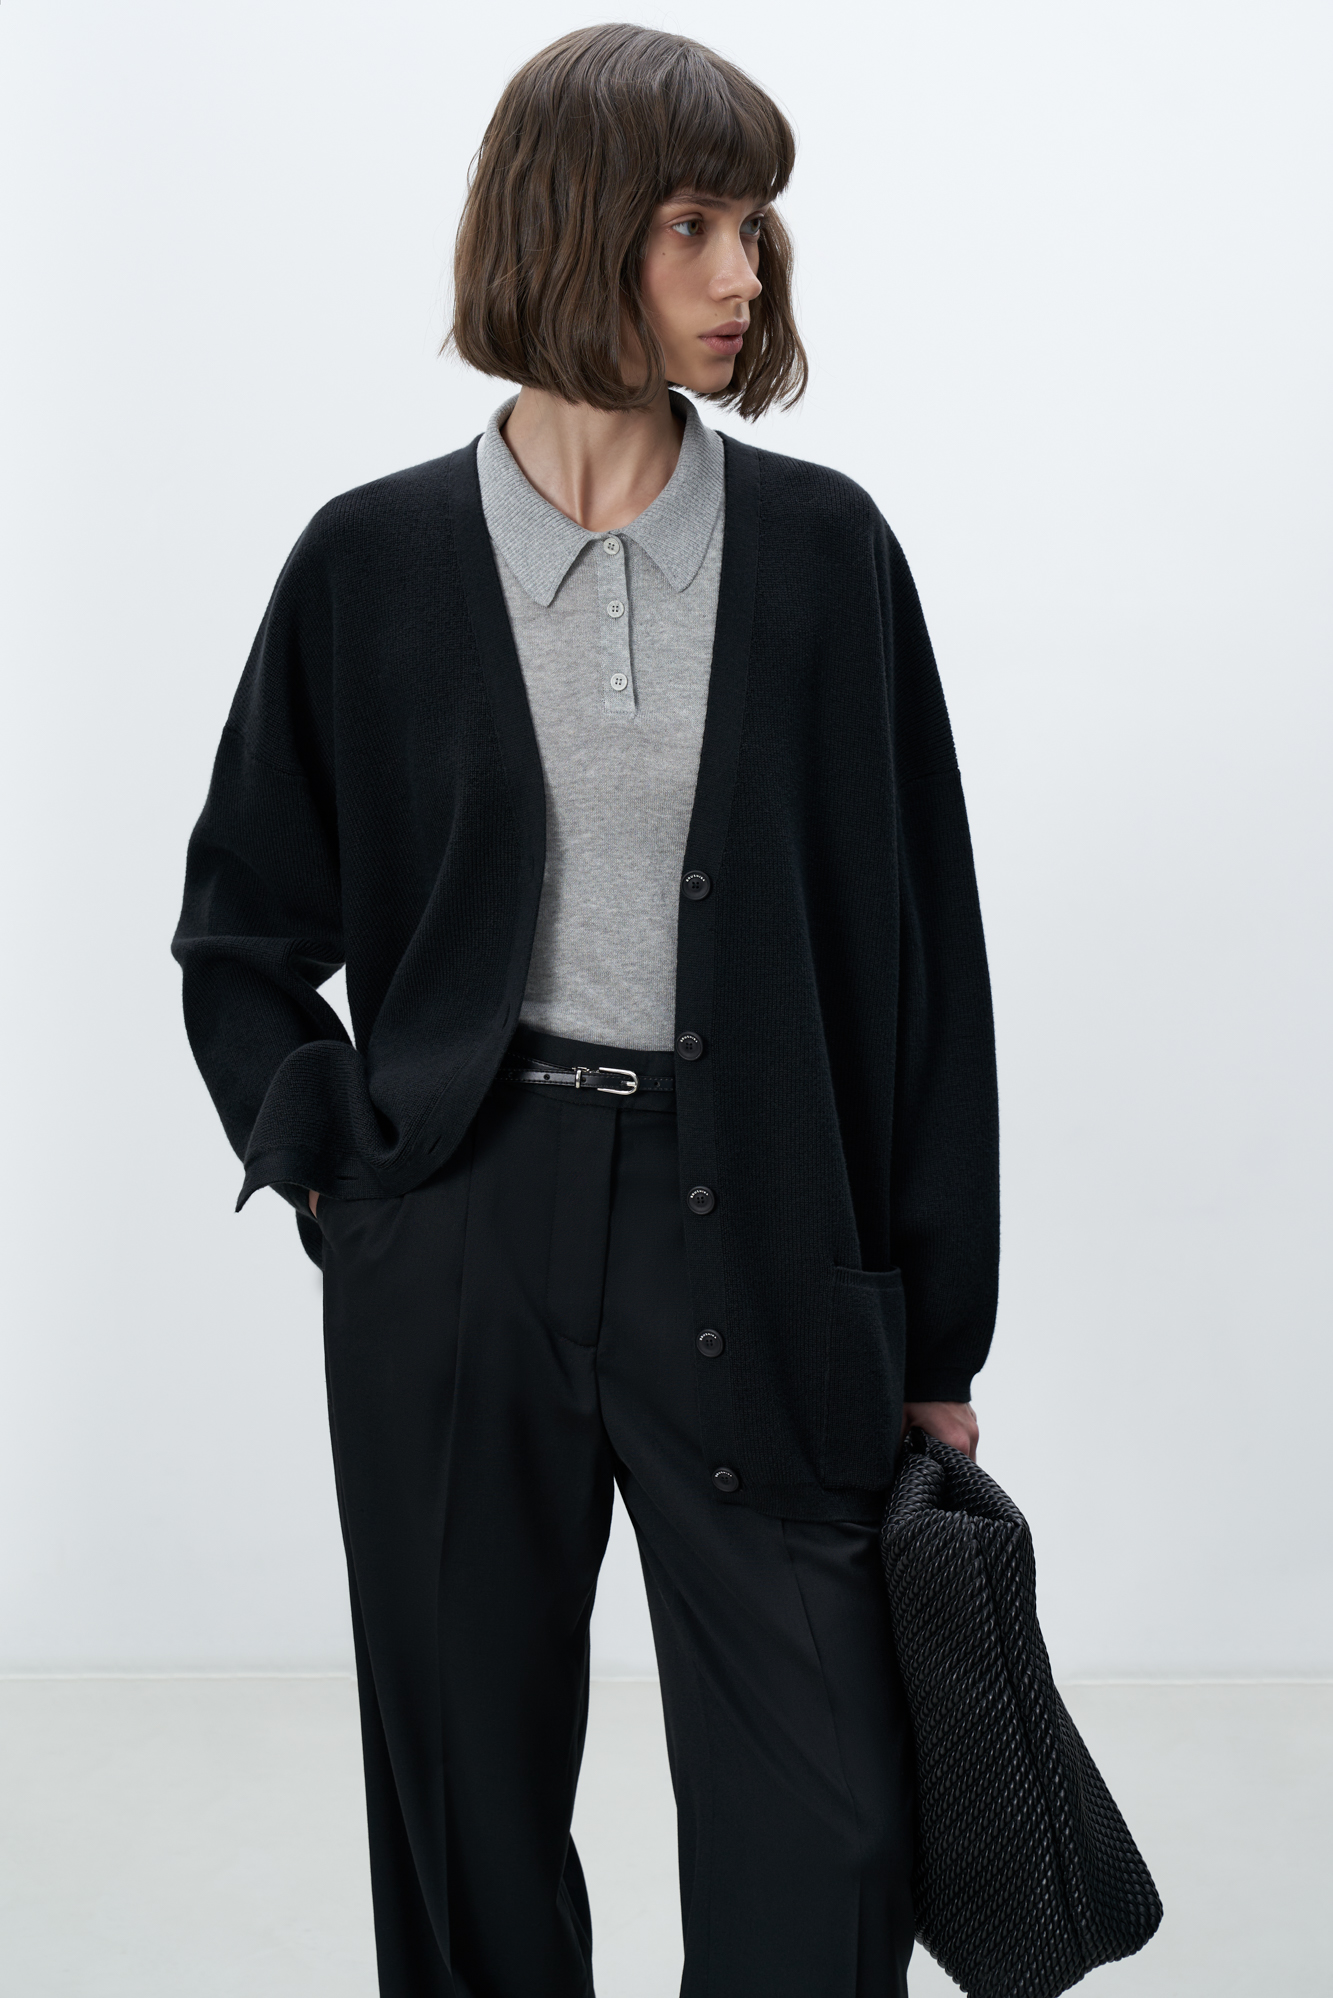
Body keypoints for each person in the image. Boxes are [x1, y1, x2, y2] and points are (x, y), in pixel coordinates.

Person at [173, 23, 999, 1998]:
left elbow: (926, 972)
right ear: (570, 228)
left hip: (763, 1238)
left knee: (828, 1827)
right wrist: (350, 1188)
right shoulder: (373, 565)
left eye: (755, 227)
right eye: (693, 224)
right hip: (463, 1234)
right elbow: (241, 930)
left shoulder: (824, 559)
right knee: (464, 1815)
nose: (743, 273)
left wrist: (934, 1333)